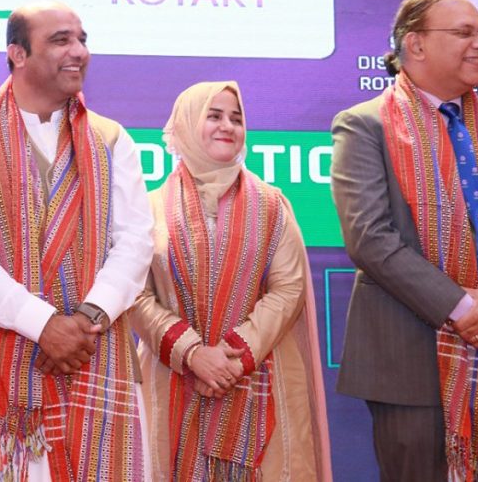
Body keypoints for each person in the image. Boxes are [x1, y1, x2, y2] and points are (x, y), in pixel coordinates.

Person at [331, 0, 478, 480]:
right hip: (410, 363)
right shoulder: (363, 126)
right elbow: (371, 238)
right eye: (464, 33)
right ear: (415, 44)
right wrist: (470, 313)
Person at [0, 1, 153, 481]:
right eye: (60, 40)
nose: (79, 52)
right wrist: (45, 325)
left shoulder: (112, 140)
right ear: (18, 54)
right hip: (1, 372)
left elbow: (135, 242)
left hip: (98, 356)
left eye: (82, 40)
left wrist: (86, 320)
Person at [129, 81, 331, 481]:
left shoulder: (272, 205)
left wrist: (232, 358)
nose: (227, 126)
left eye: (236, 119)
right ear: (186, 124)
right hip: (172, 375)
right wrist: (192, 353)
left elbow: (288, 288)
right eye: (214, 115)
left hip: (259, 374)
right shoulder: (149, 208)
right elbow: (135, 293)